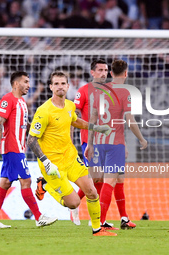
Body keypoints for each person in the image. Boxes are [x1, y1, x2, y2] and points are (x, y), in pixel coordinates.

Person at [27, 71, 116, 236]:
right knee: (74, 203)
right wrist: (46, 161)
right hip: (52, 164)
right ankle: (45, 184)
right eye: (56, 84)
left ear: (68, 86)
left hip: (71, 157)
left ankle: (97, 229)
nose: (60, 87)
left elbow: (75, 120)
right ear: (51, 87)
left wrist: (96, 128)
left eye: (63, 83)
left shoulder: (69, 105)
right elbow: (31, 140)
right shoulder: (44, 110)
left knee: (91, 191)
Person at [0, 71, 58, 228]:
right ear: (16, 83)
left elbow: (24, 126)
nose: (29, 85)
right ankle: (39, 217)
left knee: (5, 183)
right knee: (26, 180)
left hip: (19, 148)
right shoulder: (8, 99)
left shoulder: (22, 103)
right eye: (25, 82)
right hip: (12, 148)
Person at [85, 59, 148, 230]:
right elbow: (129, 120)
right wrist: (141, 139)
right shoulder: (125, 92)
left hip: (99, 143)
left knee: (119, 180)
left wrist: (89, 144)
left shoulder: (99, 91)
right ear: (126, 73)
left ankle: (124, 218)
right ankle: (100, 223)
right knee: (110, 181)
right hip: (115, 145)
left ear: (111, 73)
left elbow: (92, 118)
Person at [71, 59, 108, 226]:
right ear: (92, 72)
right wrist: (70, 139)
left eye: (106, 70)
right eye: (100, 70)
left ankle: (95, 217)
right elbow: (73, 114)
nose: (103, 73)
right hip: (89, 140)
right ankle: (76, 205)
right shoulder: (84, 90)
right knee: (96, 176)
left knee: (99, 179)